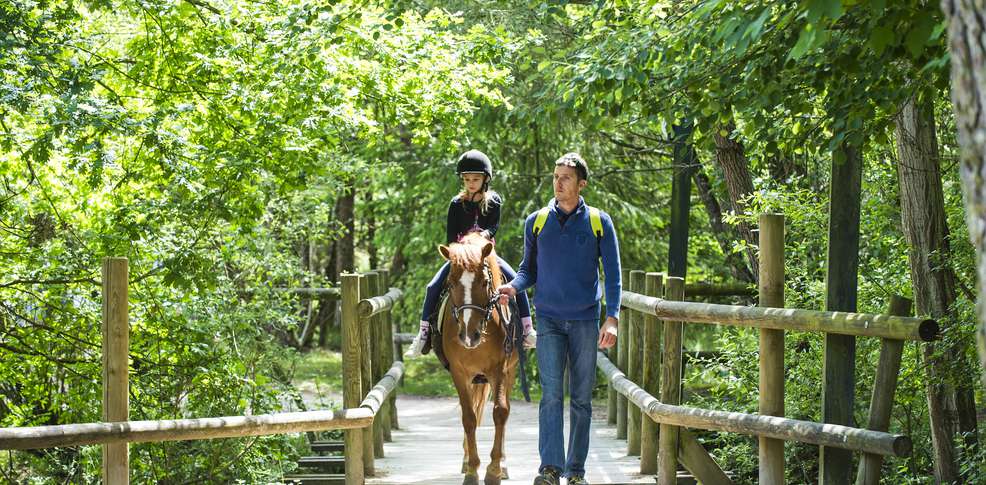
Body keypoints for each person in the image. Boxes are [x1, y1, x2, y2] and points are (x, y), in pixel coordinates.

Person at [496, 152, 621, 485]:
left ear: (581, 184)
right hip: (549, 319)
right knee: (551, 396)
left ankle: (576, 473)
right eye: (555, 177)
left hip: (584, 321)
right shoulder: (536, 221)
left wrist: (612, 318)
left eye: (565, 178)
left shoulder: (598, 221)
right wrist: (512, 287)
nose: (558, 183)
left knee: (581, 399)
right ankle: (550, 469)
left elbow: (613, 274)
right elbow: (528, 271)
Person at [405, 149, 536, 358]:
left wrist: (482, 235)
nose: (471, 183)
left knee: (514, 281)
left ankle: (527, 328)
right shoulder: (456, 204)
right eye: (467, 179)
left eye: (475, 179)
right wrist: (461, 251)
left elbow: (493, 227)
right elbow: (450, 236)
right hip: (462, 257)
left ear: (485, 179)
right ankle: (423, 333)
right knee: (433, 286)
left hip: (485, 255)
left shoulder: (493, 201)